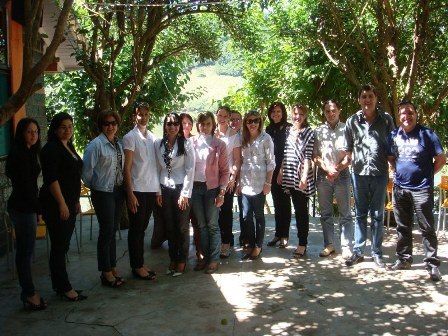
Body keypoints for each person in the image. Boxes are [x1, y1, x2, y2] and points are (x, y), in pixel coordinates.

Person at [386, 101, 445, 281]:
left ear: (415, 114)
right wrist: (399, 172)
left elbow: (441, 159)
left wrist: (427, 174)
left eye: (410, 112)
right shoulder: (394, 135)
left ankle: (432, 264)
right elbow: (390, 157)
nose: (407, 116)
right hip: (400, 189)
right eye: (403, 113)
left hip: (422, 190)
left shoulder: (427, 134)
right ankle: (404, 259)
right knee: (403, 227)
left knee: (427, 228)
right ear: (399, 116)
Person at [343, 84, 394, 268]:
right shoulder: (352, 121)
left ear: (376, 98)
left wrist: (395, 168)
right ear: (359, 99)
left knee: (378, 214)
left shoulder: (386, 120)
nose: (367, 100)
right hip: (359, 174)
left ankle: (377, 253)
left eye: (370, 96)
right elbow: (348, 149)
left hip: (380, 173)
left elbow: (391, 147)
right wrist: (338, 167)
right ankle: (358, 252)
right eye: (364, 96)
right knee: (360, 214)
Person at [39, 112, 86, 301]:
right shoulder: (51, 149)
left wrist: (75, 201)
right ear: (55, 129)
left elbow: (72, 177)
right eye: (63, 127)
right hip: (56, 204)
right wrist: (62, 204)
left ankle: (60, 285)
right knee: (59, 246)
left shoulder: (68, 146)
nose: (67, 130)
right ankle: (64, 287)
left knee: (63, 245)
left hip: (69, 202)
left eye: (70, 127)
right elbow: (52, 179)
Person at [6, 118, 47, 310]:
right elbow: (27, 187)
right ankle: (29, 294)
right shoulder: (20, 155)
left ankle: (28, 291)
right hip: (23, 208)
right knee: (25, 252)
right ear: (21, 133)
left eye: (36, 132)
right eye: (29, 131)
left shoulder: (28, 152)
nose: (33, 135)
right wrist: (38, 209)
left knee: (26, 251)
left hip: (25, 206)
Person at [82, 110, 125, 288]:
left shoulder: (118, 143)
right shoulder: (95, 145)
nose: (110, 126)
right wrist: (98, 187)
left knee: (113, 230)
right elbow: (86, 174)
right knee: (106, 231)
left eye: (113, 123)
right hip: (103, 192)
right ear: (101, 125)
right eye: (107, 123)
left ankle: (113, 266)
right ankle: (105, 271)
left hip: (117, 191)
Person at [155, 113, 195, 277]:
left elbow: (190, 170)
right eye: (169, 124)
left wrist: (185, 193)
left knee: (182, 226)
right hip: (165, 188)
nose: (172, 127)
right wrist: (158, 191)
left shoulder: (186, 144)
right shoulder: (158, 144)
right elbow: (157, 168)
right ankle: (173, 257)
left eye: (176, 124)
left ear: (179, 126)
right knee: (169, 226)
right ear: (165, 126)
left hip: (181, 189)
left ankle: (182, 260)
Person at [123, 102, 159, 280]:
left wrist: (158, 191)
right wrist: (129, 194)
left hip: (151, 189)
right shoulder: (130, 138)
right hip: (137, 189)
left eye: (146, 114)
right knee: (136, 229)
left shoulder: (152, 137)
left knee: (143, 228)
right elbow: (127, 168)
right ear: (134, 116)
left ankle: (141, 262)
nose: (143, 117)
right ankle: (136, 266)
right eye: (140, 114)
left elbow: (155, 167)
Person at [313, 100, 353, 259]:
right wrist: (327, 169)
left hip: (342, 175)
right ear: (324, 113)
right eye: (327, 111)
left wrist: (336, 169)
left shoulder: (347, 129)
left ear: (339, 110)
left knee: (345, 213)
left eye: (333, 110)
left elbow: (350, 154)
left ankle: (346, 246)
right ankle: (329, 245)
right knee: (326, 213)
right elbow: (315, 155)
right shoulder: (318, 131)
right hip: (323, 176)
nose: (330, 113)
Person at [191, 111, 229, 274]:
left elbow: (225, 171)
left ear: (213, 125)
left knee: (212, 225)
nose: (204, 126)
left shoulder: (219, 144)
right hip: (195, 188)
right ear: (197, 124)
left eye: (207, 123)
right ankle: (205, 257)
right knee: (201, 226)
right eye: (201, 123)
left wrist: (221, 192)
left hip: (212, 189)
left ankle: (213, 259)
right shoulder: (190, 142)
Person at [278, 104, 315, 258]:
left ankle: (302, 244)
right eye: (295, 114)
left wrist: (304, 177)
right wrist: (280, 171)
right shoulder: (288, 131)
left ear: (305, 116)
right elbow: (285, 153)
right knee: (290, 208)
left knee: (301, 211)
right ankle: (286, 237)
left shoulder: (308, 132)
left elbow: (307, 157)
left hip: (300, 175)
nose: (297, 116)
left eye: (300, 114)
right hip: (288, 174)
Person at [238, 110, 275, 260]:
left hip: (260, 183)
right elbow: (239, 161)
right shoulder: (243, 138)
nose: (252, 123)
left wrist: (268, 183)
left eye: (255, 120)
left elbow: (271, 162)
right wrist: (238, 183)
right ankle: (251, 244)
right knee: (246, 216)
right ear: (245, 123)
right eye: (249, 121)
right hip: (246, 183)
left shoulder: (266, 139)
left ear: (260, 122)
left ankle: (258, 247)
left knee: (259, 215)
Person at [215, 106, 241, 258]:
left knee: (226, 212)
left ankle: (226, 243)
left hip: (228, 179)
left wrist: (233, 178)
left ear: (229, 117)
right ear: (216, 116)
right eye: (220, 115)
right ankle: (219, 241)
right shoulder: (212, 133)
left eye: (225, 115)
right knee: (214, 213)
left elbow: (237, 159)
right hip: (213, 179)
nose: (222, 118)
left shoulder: (234, 135)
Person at [265, 102, 292, 248]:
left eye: (278, 111)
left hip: (284, 169)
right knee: (276, 202)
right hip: (272, 170)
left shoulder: (288, 128)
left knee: (285, 203)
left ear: (283, 113)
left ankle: (285, 235)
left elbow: (287, 151)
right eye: (273, 111)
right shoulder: (269, 129)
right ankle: (277, 233)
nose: (276, 114)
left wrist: (281, 170)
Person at [180, 112, 203, 261]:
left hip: (195, 186)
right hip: (178, 187)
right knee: (182, 224)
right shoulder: (174, 141)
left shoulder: (195, 140)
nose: (187, 126)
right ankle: (181, 254)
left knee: (197, 221)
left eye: (189, 123)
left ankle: (199, 250)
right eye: (183, 123)